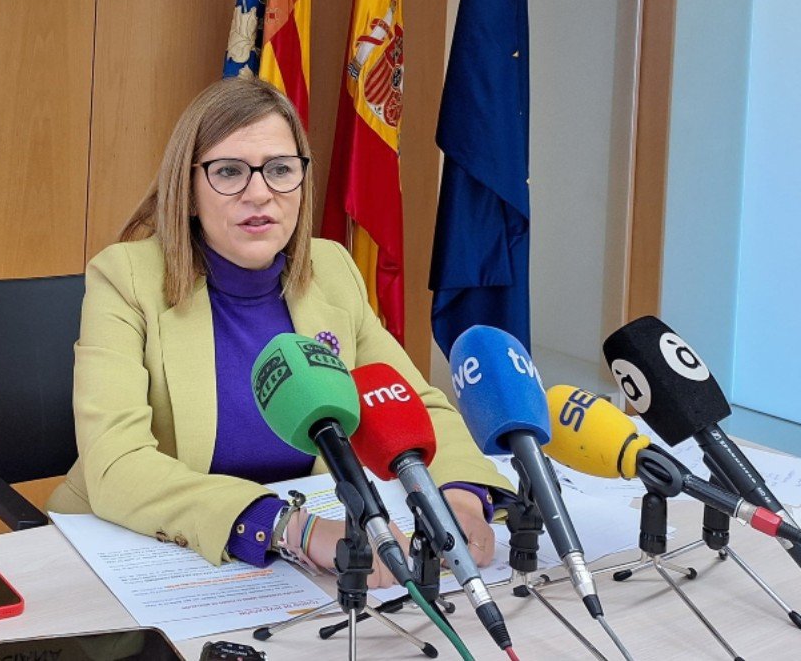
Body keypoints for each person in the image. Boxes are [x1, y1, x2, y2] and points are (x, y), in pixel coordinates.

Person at [46, 77, 510, 580]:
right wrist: (292, 528)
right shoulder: (126, 277)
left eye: (280, 169)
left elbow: (415, 408)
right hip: (137, 549)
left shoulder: (332, 268)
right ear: (188, 193)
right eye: (228, 172)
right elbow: (118, 466)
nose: (260, 193)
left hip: (298, 571)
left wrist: (460, 501)